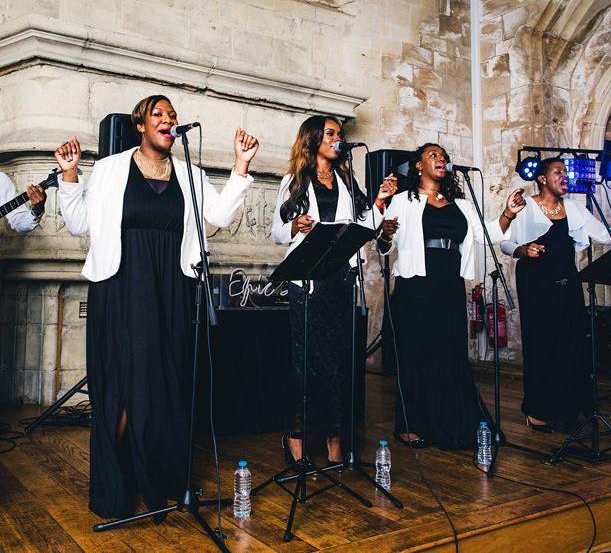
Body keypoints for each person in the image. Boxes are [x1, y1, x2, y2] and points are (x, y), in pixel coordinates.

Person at [54, 94, 259, 518]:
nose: (168, 120)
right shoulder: (111, 169)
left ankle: (160, 475)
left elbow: (218, 215)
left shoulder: (189, 171)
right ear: (141, 126)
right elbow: (79, 223)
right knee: (127, 383)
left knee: (165, 383)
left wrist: (240, 166)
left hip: (170, 287)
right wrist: (70, 176)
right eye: (158, 115)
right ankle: (120, 482)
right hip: (122, 285)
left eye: (172, 116)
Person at [377, 143, 526, 449]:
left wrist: (508, 214)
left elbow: (488, 234)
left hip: (448, 282)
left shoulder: (462, 204)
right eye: (433, 155)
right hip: (416, 282)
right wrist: (386, 235)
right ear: (418, 165)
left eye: (443, 156)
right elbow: (383, 247)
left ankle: (457, 419)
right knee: (416, 353)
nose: (441, 159)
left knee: (450, 352)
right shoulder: (403, 200)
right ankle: (409, 424)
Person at [272, 115, 397, 465]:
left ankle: (334, 438)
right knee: (306, 364)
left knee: (337, 365)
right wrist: (294, 226)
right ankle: (295, 437)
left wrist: (380, 203)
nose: (338, 138)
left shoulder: (345, 180)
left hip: (340, 278)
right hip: (307, 282)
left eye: (340, 134)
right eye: (331, 134)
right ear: (313, 139)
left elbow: (360, 228)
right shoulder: (294, 181)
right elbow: (277, 232)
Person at [501, 157, 611, 431]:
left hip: (567, 280)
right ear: (542, 178)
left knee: (571, 342)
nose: (565, 176)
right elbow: (504, 243)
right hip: (535, 282)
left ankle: (569, 407)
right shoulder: (526, 208)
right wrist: (523, 250)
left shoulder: (572, 207)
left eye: (565, 172)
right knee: (543, 344)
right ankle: (537, 409)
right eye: (558, 171)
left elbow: (607, 236)